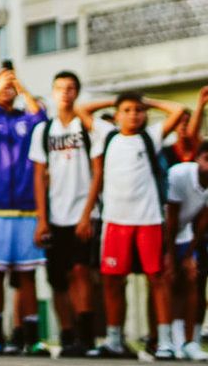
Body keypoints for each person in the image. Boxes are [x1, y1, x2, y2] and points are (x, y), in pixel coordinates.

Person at [79, 93, 185, 359]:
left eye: (138, 110)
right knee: (113, 281)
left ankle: (164, 341)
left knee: (157, 279)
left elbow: (178, 108)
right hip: (116, 221)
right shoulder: (108, 134)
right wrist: (115, 100)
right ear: (117, 114)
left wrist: (148, 101)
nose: (133, 114)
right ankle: (115, 339)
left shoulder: (152, 136)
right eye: (127, 110)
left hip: (148, 220)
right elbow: (82, 109)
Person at [30, 70, 104, 357]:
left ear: (77, 93)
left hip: (82, 212)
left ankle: (87, 338)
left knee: (81, 272)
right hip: (54, 214)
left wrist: (87, 214)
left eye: (71, 88)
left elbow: (98, 172)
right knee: (57, 278)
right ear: (52, 91)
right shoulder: (44, 131)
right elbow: (38, 176)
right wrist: (41, 218)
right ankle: (67, 334)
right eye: (60, 88)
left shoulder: (87, 128)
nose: (65, 93)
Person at [0, 65, 47, 355]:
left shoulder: (25, 119)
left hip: (26, 209)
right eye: (2, 83)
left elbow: (42, 119)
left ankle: (32, 337)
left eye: (10, 84)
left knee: (27, 274)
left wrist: (22, 87)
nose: (7, 88)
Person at [166, 141, 208, 360]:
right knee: (168, 281)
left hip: (185, 233)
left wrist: (189, 255)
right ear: (198, 158)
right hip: (160, 229)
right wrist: (172, 258)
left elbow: (202, 223)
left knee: (191, 279)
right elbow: (170, 222)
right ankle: (167, 340)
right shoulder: (180, 175)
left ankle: (190, 341)